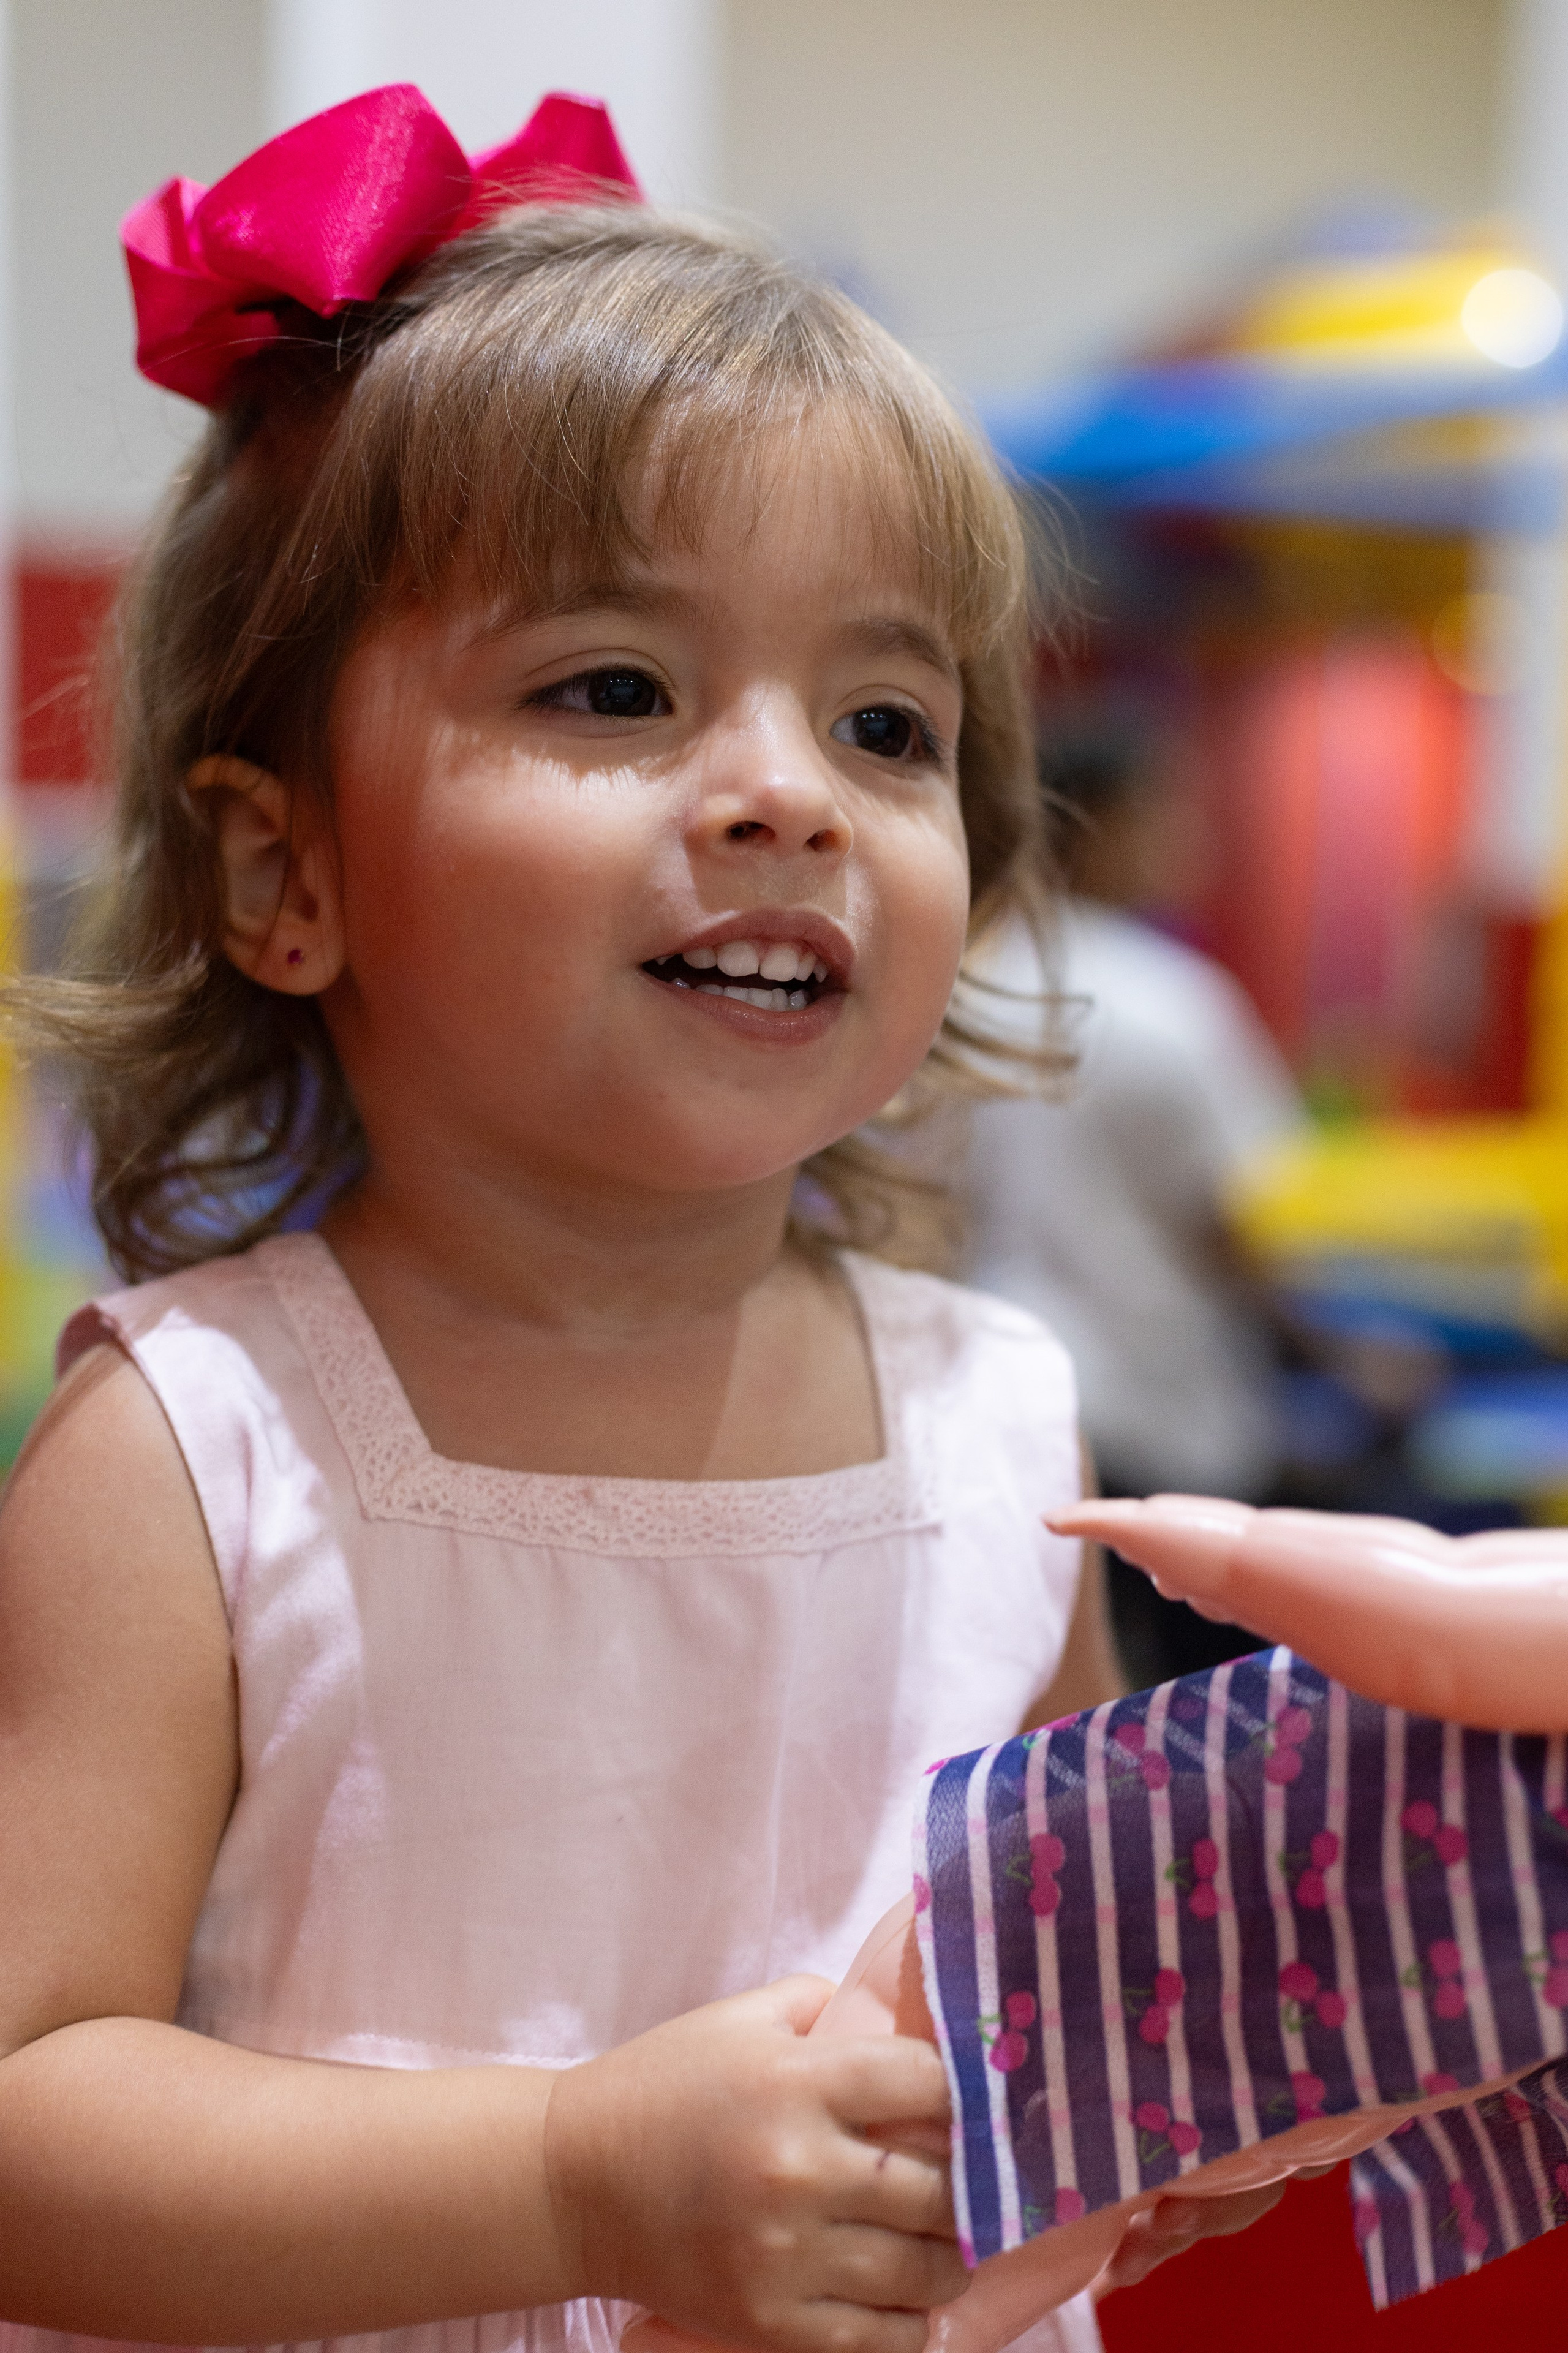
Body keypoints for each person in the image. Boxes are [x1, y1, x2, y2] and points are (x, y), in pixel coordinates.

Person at [0, 83, 1282, 2353]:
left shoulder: (998, 1418)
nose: (792, 792)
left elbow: (1068, 1940)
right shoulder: (196, 1451)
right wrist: (578, 2173)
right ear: (288, 868)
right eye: (617, 687)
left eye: (886, 723)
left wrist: (1150, 2082)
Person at [960, 734, 1306, 1685]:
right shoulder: (1176, 1000)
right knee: (1203, 1708)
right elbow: (1243, 1226)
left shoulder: (956, 990)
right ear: (1095, 826)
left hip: (995, 1398)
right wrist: (1338, 1349)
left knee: (1047, 1696)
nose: (1186, 839)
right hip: (1167, 1408)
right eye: (1162, 816)